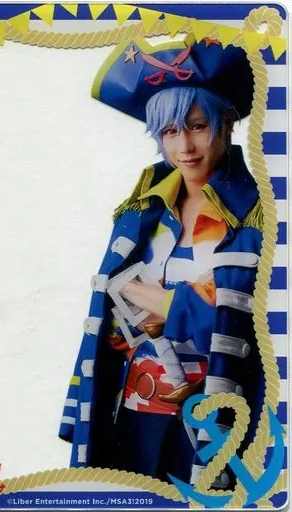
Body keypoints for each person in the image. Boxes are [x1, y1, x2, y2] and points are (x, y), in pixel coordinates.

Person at [59, 37, 264, 489]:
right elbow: (109, 315)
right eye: (170, 131)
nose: (184, 146)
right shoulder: (140, 211)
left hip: (215, 417)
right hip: (136, 411)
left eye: (197, 126)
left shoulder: (261, 214)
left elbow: (257, 329)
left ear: (227, 122)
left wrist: (165, 304)